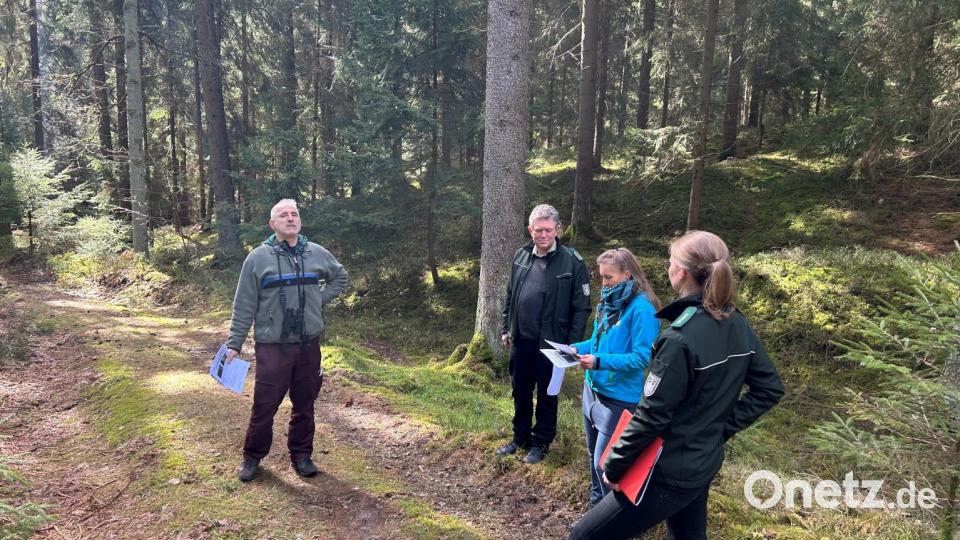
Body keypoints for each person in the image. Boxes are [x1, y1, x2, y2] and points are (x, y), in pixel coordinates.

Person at [569, 230, 785, 539]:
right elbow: (770, 389)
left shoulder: (678, 339)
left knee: (582, 535)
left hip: (666, 471)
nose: (668, 266)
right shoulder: (736, 322)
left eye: (670, 261)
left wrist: (615, 465)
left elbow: (651, 414)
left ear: (681, 272)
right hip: (701, 463)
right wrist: (716, 430)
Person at [224, 199, 348, 482]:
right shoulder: (257, 258)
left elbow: (340, 277)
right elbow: (243, 304)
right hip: (272, 346)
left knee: (305, 403)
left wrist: (318, 300)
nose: (290, 218)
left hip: (308, 344)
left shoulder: (316, 252)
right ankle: (252, 457)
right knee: (265, 404)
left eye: (294, 214)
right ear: (273, 224)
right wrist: (234, 343)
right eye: (283, 215)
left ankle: (302, 455)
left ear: (299, 221)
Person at [497, 204, 592, 464]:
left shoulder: (572, 261)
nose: (543, 235)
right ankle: (520, 438)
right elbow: (510, 294)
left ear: (557, 229)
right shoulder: (521, 255)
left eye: (548, 230)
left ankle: (541, 444)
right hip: (521, 340)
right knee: (520, 391)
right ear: (530, 229)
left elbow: (582, 308)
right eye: (538, 230)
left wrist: (572, 346)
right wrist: (506, 327)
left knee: (547, 396)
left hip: (552, 344)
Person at [569, 248, 661, 506]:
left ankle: (613, 517)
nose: (604, 283)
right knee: (592, 456)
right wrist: (575, 349)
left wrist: (598, 361)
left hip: (618, 400)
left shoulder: (643, 310)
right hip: (592, 392)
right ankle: (595, 508)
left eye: (609, 277)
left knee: (605, 466)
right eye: (601, 277)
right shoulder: (607, 301)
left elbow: (641, 358)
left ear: (627, 274)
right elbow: (597, 342)